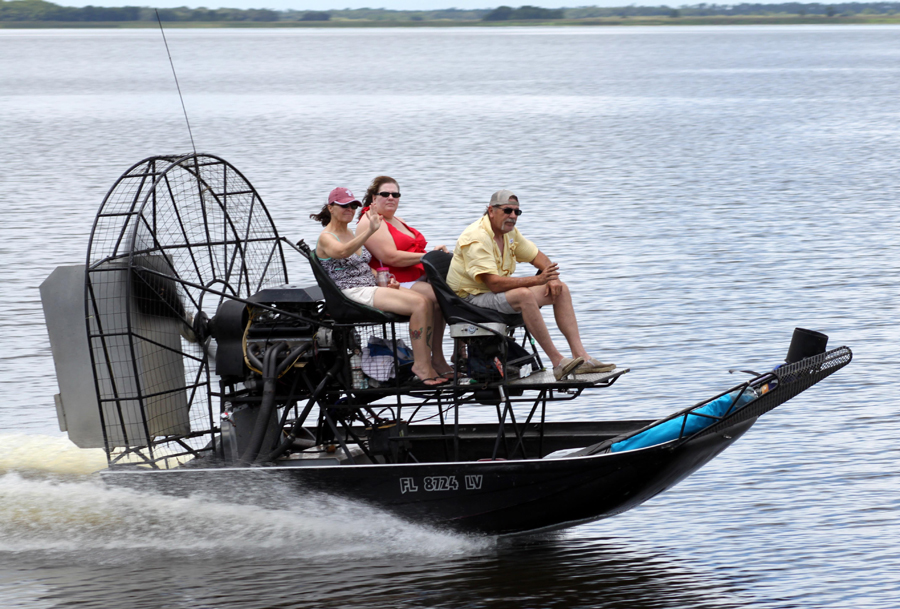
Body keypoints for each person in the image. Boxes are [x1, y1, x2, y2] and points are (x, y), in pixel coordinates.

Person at [445, 189, 615, 380]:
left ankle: (581, 357)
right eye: (507, 210)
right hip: (468, 301)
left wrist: (553, 279)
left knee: (561, 290)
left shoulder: (509, 233)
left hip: (491, 295)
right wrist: (537, 280)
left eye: (517, 212)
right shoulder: (477, 237)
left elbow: (538, 257)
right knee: (523, 295)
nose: (512, 216)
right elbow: (493, 284)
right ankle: (558, 362)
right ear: (491, 210)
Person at [311, 187, 448, 387]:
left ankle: (428, 362)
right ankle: (421, 366)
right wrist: (369, 231)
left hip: (369, 287)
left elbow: (364, 267)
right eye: (344, 206)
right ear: (331, 208)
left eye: (353, 205)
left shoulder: (349, 232)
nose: (349, 209)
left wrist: (387, 278)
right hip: (350, 293)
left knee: (428, 301)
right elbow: (341, 252)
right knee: (419, 304)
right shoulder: (327, 237)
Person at [356, 176, 453, 378]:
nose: (391, 197)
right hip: (394, 280)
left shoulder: (397, 219)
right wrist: (427, 256)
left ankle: (444, 355)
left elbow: (415, 249)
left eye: (396, 194)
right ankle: (428, 361)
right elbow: (390, 256)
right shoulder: (371, 220)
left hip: (416, 274)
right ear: (373, 198)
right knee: (440, 297)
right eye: (385, 194)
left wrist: (435, 254)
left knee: (455, 290)